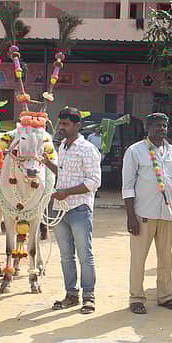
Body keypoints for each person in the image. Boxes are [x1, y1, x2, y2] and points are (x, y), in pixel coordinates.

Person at [123, 113, 172, 315]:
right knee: (139, 258)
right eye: (157, 126)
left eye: (164, 126)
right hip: (142, 214)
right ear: (148, 127)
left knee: (166, 258)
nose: (161, 129)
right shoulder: (135, 151)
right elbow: (128, 188)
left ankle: (165, 296)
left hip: (167, 213)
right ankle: (136, 298)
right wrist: (131, 216)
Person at [42, 107, 101, 314]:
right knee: (66, 255)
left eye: (66, 125)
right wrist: (48, 163)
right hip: (61, 209)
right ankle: (71, 295)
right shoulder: (64, 148)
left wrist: (66, 192)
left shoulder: (87, 149)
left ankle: (88, 297)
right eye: (61, 124)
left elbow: (94, 181)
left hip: (79, 208)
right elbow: (64, 173)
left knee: (85, 254)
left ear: (78, 126)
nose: (62, 128)